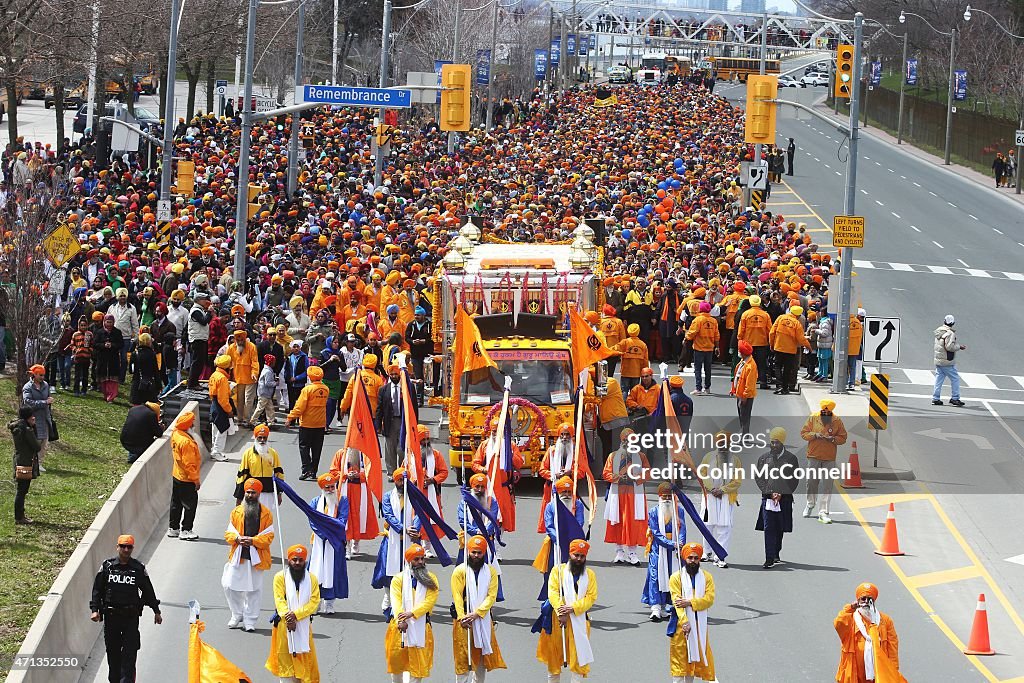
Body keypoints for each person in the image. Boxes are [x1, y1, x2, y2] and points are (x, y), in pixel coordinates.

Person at [90, 534, 162, 683]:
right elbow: (97, 589)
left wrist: (156, 611)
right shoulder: (107, 567)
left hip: (130, 618)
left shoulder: (138, 569)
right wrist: (95, 610)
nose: (126, 549)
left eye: (129, 547)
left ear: (132, 549)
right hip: (111, 617)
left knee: (129, 654)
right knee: (113, 654)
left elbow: (148, 591)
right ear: (117, 547)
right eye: (123, 546)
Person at [537, 538, 598, 683]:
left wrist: (573, 608)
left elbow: (591, 597)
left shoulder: (590, 575)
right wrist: (561, 612)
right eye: (576, 555)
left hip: (580, 620)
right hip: (557, 621)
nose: (578, 559)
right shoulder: (558, 571)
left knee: (578, 659)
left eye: (582, 556)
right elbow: (552, 592)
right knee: (554, 660)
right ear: (570, 554)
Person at [451, 535, 507, 683]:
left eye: (479, 552)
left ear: (484, 553)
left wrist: (477, 614)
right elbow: (456, 596)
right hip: (463, 621)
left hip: (482, 618)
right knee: (463, 658)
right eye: (473, 552)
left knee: (481, 658)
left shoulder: (491, 572)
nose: (476, 556)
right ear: (468, 552)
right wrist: (462, 617)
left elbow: (491, 596)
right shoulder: (459, 571)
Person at [223, 478, 275, 632]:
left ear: (259, 494)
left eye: (253, 493)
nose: (250, 495)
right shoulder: (236, 512)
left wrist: (253, 541)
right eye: (248, 492)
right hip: (238, 555)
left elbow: (269, 537)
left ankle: (250, 620)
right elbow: (228, 534)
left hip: (256, 557)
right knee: (229, 585)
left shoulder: (266, 514)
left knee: (254, 590)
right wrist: (238, 539)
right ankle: (237, 613)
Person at [266, 544, 321, 683]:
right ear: (288, 560)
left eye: (300, 560)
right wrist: (288, 617)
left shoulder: (312, 579)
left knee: (304, 664)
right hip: (284, 627)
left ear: (305, 561)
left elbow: (314, 602)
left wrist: (296, 615)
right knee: (286, 666)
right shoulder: (280, 577)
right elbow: (279, 600)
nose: (297, 563)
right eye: (294, 559)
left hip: (303, 625)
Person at [385, 543, 440, 683]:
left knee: (418, 666)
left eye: (422, 558)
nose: (420, 562)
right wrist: (401, 619)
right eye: (416, 559)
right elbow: (396, 601)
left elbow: (429, 601)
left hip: (422, 626)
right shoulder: (398, 579)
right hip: (400, 626)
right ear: (409, 561)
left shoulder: (431, 579)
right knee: (397, 664)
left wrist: (412, 613)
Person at [834, 583, 906, 683]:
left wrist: (893, 670)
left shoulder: (885, 620)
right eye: (863, 599)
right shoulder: (850, 618)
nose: (867, 602)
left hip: (878, 672)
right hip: (855, 672)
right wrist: (850, 607)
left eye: (870, 599)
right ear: (858, 600)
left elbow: (892, 647)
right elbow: (839, 623)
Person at [374, 468, 423, 611]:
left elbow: (420, 513)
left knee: (414, 570)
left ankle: (411, 598)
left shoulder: (414, 496)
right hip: (393, 539)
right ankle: (388, 596)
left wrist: (415, 528)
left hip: (411, 539)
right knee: (388, 570)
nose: (402, 483)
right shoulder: (388, 496)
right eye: (399, 480)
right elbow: (388, 515)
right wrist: (403, 529)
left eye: (404, 480)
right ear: (395, 481)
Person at [667, 542, 716, 683]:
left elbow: (709, 600)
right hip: (681, 625)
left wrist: (690, 602)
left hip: (700, 624)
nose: (693, 561)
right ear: (685, 559)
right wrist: (685, 622)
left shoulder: (707, 577)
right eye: (690, 558)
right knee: (679, 658)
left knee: (694, 658)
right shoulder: (676, 578)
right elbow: (677, 602)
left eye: (696, 558)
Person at [602, 428, 649, 565]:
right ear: (622, 441)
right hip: (618, 494)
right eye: (626, 440)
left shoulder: (641, 457)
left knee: (633, 523)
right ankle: (619, 552)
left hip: (634, 495)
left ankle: (632, 553)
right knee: (617, 521)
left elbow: (647, 472)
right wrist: (618, 478)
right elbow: (606, 473)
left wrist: (636, 477)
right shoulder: (613, 456)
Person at [755, 427, 800, 568]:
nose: (774, 445)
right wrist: (770, 492)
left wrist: (781, 493)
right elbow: (759, 477)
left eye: (777, 443)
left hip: (784, 499)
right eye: (772, 442)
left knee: (780, 528)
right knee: (769, 528)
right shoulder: (764, 458)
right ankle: (769, 558)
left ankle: (775, 553)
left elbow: (794, 479)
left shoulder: (791, 459)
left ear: (782, 443)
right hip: (768, 499)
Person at [642, 483, 686, 622]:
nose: (667, 499)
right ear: (659, 497)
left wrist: (680, 543)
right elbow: (655, 532)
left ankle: (667, 605)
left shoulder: (679, 511)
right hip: (658, 549)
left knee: (672, 576)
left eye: (669, 496)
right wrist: (671, 543)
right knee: (656, 576)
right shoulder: (654, 511)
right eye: (664, 496)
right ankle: (655, 608)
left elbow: (682, 529)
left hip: (674, 550)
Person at [471, 423, 525, 534]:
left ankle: (496, 546)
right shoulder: (484, 445)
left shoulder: (511, 445)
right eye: (494, 431)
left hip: (503, 488)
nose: (496, 434)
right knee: (486, 515)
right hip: (488, 487)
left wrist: (508, 452)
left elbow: (519, 463)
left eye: (498, 432)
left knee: (501, 518)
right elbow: (474, 464)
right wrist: (484, 470)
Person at [801, 398, 848, 524]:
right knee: (811, 482)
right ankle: (810, 504)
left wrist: (832, 439)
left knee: (827, 485)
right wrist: (815, 435)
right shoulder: (813, 418)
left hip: (829, 457)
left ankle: (824, 511)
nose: (824, 414)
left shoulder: (837, 421)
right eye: (823, 412)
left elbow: (843, 438)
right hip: (813, 455)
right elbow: (804, 433)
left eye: (827, 413)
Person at [308, 471, 349, 613]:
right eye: (327, 487)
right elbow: (313, 522)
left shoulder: (342, 501)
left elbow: (342, 521)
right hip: (319, 541)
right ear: (322, 488)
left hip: (335, 543)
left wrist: (331, 534)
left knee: (333, 571)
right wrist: (324, 534)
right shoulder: (314, 502)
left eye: (333, 487)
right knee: (316, 571)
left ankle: (330, 603)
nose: (331, 490)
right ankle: (316, 601)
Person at [698, 433, 741, 567]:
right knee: (707, 525)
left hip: (726, 496)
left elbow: (737, 480)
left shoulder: (735, 460)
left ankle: (720, 556)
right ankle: (707, 552)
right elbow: (702, 474)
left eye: (725, 444)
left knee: (724, 526)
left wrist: (722, 490)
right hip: (709, 496)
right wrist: (711, 489)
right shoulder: (708, 457)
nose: (723, 446)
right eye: (720, 444)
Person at [329, 447, 380, 558]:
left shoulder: (365, 454)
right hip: (345, 489)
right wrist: (346, 475)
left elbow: (371, 472)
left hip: (361, 490)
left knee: (358, 516)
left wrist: (359, 475)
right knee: (346, 516)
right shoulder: (341, 453)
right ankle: (346, 545)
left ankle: (356, 541)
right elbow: (333, 471)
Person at [537, 423, 585, 533]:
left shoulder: (576, 452)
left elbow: (582, 472)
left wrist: (571, 473)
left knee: (571, 518)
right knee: (551, 521)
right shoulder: (551, 451)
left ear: (572, 436)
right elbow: (542, 470)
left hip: (569, 490)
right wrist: (554, 475)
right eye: (562, 434)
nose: (564, 437)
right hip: (553, 489)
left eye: (567, 435)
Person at [286, 364, 329, 480]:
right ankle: (314, 471)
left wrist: (290, 418)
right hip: (320, 424)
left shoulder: (307, 390)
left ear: (310, 377)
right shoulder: (325, 389)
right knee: (317, 449)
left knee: (304, 447)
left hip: (307, 424)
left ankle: (306, 470)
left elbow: (299, 407)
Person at [415, 424, 449, 557]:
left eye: (427, 440)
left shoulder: (436, 455)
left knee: (430, 520)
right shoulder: (411, 455)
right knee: (416, 520)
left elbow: (444, 472)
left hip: (432, 493)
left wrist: (432, 480)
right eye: (423, 440)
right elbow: (403, 471)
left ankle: (427, 548)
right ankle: (416, 547)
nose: (426, 443)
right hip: (416, 493)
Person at [234, 424, 285, 508]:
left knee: (265, 517)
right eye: (260, 437)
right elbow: (242, 476)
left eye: (264, 438)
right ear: (255, 437)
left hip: (268, 492)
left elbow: (279, 474)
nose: (262, 440)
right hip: (252, 493)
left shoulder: (273, 453)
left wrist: (279, 493)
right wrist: (239, 497)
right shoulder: (248, 453)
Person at [169, 411, 201, 540]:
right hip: (187, 479)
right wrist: (196, 480)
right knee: (190, 505)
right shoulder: (186, 442)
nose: (193, 424)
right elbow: (189, 464)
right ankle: (186, 529)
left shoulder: (176, 434)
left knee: (176, 502)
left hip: (177, 475)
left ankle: (173, 528)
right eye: (192, 422)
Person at [10, 406, 41, 524]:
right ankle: (19, 516)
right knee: (22, 490)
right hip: (26, 461)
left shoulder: (18, 427)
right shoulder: (26, 430)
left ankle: (20, 515)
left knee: (21, 489)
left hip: (19, 459)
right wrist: (33, 428)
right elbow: (37, 446)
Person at [769, 305, 810, 394]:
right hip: (790, 350)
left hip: (778, 347)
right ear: (798, 315)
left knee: (777, 366)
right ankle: (784, 388)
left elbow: (772, 332)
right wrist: (808, 346)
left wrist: (771, 344)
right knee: (787, 369)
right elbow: (801, 338)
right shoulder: (797, 323)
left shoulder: (780, 318)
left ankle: (779, 385)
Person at [376, 363, 409, 473]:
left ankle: (401, 471)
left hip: (402, 421)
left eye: (396, 374)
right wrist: (378, 426)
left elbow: (413, 407)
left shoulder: (406, 388)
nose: (394, 376)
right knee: (390, 448)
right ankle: (391, 472)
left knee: (401, 448)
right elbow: (379, 408)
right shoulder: (383, 390)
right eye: (392, 374)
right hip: (389, 422)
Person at [21, 364, 53, 471]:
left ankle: (39, 462)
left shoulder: (46, 385)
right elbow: (28, 402)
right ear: (34, 374)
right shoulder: (28, 387)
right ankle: (31, 462)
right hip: (33, 418)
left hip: (44, 417)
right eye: (40, 375)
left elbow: (48, 399)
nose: (42, 377)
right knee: (35, 441)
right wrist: (44, 402)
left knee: (44, 441)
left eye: (44, 375)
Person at [684, 301, 719, 395]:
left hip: (699, 347)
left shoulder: (698, 319)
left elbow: (692, 332)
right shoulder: (713, 321)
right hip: (710, 347)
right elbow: (717, 335)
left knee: (698, 368)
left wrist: (686, 338)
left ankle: (698, 388)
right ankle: (707, 387)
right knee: (708, 369)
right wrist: (717, 347)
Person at [228, 329, 260, 427]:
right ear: (235, 340)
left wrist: (254, 373)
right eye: (238, 339)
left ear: (245, 338)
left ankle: (247, 420)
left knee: (248, 400)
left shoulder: (251, 347)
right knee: (238, 400)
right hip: (237, 378)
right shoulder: (231, 348)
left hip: (250, 378)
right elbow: (227, 361)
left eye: (242, 338)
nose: (240, 340)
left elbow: (255, 362)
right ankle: (240, 419)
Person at [737, 295, 771, 390]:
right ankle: (763, 382)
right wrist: (770, 341)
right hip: (762, 342)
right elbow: (769, 330)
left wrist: (739, 339)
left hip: (748, 343)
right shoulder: (765, 315)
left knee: (748, 363)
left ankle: (748, 382)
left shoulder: (745, 314)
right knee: (762, 363)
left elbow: (741, 329)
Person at [933, 314, 966, 407]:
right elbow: (949, 347)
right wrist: (959, 347)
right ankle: (955, 398)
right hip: (947, 361)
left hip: (939, 359)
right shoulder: (950, 333)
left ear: (944, 321)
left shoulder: (939, 331)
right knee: (955, 379)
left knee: (938, 379)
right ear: (953, 323)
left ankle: (935, 398)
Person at [208, 354, 234, 461]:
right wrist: (229, 410)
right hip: (220, 406)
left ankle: (214, 449)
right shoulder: (222, 378)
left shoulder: (214, 374)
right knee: (223, 429)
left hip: (214, 404)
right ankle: (216, 452)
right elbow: (223, 399)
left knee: (216, 428)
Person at [730, 341, 757, 435]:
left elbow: (749, 384)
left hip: (745, 396)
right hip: (740, 394)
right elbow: (738, 377)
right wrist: (733, 389)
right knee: (742, 416)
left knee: (744, 416)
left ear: (743, 353)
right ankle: (744, 434)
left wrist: (745, 397)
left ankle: (744, 436)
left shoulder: (751, 366)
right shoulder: (743, 362)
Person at [614, 323, 649, 396]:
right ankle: (632, 406)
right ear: (638, 332)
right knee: (634, 392)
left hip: (625, 371)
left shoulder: (625, 342)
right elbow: (645, 360)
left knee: (624, 390)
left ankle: (623, 406)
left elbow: (616, 349)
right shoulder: (642, 344)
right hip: (636, 373)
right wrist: (645, 372)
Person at [129, 333, 161, 405]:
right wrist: (159, 386)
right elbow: (156, 371)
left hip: (137, 383)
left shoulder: (134, 354)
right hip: (149, 383)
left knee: (137, 406)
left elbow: (131, 370)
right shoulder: (152, 354)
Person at [251, 353, 280, 427]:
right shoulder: (268, 372)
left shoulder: (266, 370)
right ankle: (253, 421)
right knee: (260, 408)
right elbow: (268, 383)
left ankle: (271, 422)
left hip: (264, 393)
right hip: (265, 393)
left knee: (270, 408)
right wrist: (275, 383)